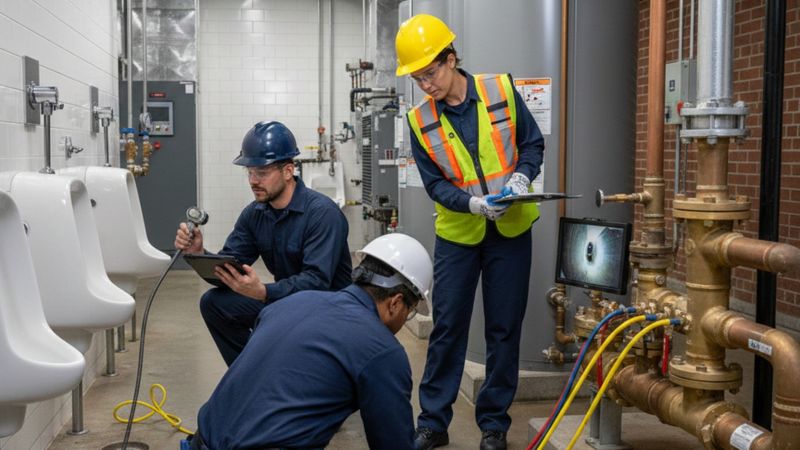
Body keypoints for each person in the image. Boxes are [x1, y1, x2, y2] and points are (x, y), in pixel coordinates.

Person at [395, 14, 544, 450]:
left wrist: (521, 179)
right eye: (418, 78)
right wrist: (473, 204)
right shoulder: (420, 120)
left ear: (452, 59)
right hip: (459, 233)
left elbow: (531, 144)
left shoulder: (500, 90)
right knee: (447, 327)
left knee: (503, 329)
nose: (426, 85)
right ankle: (433, 423)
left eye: (431, 73)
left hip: (511, 232)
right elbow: (435, 184)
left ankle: (494, 425)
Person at [188, 233, 434, 450]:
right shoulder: (382, 350)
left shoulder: (290, 303)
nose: (404, 319)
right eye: (409, 311)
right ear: (396, 302)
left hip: (200, 441)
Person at [174, 121, 352, 366]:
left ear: (288, 171)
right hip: (288, 301)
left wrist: (264, 292)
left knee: (285, 317)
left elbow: (317, 282)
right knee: (215, 303)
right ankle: (252, 375)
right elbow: (227, 271)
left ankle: (274, 374)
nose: (253, 180)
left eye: (262, 172)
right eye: (249, 172)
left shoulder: (322, 213)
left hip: (329, 309)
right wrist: (198, 254)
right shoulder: (255, 213)